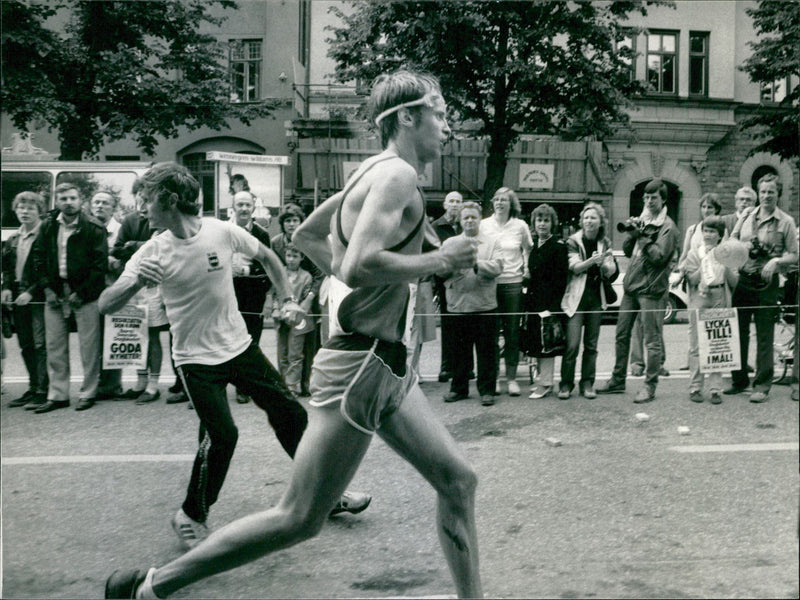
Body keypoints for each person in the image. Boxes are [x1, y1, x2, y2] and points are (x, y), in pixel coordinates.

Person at [104, 70, 482, 600]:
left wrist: (364, 296)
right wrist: (438, 258)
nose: (448, 126)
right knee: (300, 517)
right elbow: (357, 264)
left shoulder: (367, 171)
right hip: (361, 368)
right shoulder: (395, 175)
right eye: (440, 114)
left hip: (387, 364)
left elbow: (306, 236)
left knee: (458, 481)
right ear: (408, 118)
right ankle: (149, 586)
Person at [99, 162, 370, 557]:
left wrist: (289, 299)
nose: (140, 207)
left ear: (169, 200)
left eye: (146, 198)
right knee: (222, 435)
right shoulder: (151, 251)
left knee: (291, 414)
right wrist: (137, 281)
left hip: (240, 347)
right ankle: (190, 516)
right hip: (194, 361)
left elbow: (269, 257)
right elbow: (106, 304)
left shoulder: (220, 231)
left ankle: (327, 494)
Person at [597, 178, 680, 403]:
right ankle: (617, 379)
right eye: (646, 197)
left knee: (651, 341)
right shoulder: (644, 219)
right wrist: (633, 234)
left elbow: (659, 258)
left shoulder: (668, 227)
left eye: (654, 197)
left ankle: (649, 386)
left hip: (651, 290)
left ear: (663, 199)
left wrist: (643, 236)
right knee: (621, 334)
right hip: (632, 287)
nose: (649, 201)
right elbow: (626, 250)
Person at [31, 182, 108, 413]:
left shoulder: (94, 227)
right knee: (55, 346)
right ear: (57, 202)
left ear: (80, 200)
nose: (68, 202)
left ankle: (88, 392)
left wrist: (81, 293)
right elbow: (38, 259)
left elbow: (99, 266)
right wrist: (47, 289)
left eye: (72, 198)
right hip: (55, 294)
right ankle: (58, 395)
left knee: (89, 347)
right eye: (63, 198)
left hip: (85, 295)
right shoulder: (47, 227)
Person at [727, 173, 798, 403]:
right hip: (745, 279)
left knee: (765, 335)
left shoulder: (786, 221)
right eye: (764, 191)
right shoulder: (748, 215)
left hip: (768, 284)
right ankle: (739, 381)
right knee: (738, 332)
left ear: (778, 193)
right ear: (759, 193)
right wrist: (741, 247)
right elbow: (733, 239)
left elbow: (795, 255)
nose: (767, 196)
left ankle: (762, 385)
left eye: (772, 192)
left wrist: (776, 261)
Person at [113, 180, 176, 405]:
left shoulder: (160, 219)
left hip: (156, 287)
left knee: (155, 335)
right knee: (138, 335)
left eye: (146, 195)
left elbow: (164, 248)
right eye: (138, 195)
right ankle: (140, 382)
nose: (142, 199)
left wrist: (134, 245)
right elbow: (117, 249)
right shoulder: (130, 220)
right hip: (135, 287)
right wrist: (133, 246)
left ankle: (153, 385)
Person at [442, 201, 502, 406]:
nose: (469, 220)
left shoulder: (492, 242)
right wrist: (453, 265)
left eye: (473, 217)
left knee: (486, 351)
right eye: (465, 217)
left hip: (485, 305)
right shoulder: (449, 243)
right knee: (459, 352)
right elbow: (439, 271)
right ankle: (458, 388)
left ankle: (487, 391)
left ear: (479, 219)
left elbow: (497, 268)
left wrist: (476, 264)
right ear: (460, 220)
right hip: (458, 306)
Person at [559, 202, 617, 400]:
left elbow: (611, 271)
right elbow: (574, 267)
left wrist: (606, 265)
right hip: (577, 298)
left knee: (591, 345)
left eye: (593, 218)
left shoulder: (605, 242)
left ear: (600, 222)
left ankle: (587, 384)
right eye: (586, 218)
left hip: (595, 299)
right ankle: (566, 384)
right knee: (572, 345)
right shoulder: (573, 241)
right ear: (582, 221)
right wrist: (593, 261)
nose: (589, 221)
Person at [482, 186, 532, 397]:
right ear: (493, 203)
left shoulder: (520, 225)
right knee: (491, 335)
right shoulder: (484, 225)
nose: (500, 203)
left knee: (512, 332)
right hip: (490, 284)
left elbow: (528, 249)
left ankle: (511, 379)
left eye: (505, 200)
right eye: (497, 199)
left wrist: (527, 269)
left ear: (512, 204)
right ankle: (492, 379)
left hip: (513, 283)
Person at [683, 216, 739, 404]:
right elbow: (691, 279)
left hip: (719, 295)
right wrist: (705, 260)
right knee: (696, 344)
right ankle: (695, 387)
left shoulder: (726, 253)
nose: (708, 235)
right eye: (705, 230)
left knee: (717, 343)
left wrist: (724, 263)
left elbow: (734, 282)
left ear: (720, 235)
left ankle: (715, 389)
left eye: (712, 231)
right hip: (699, 296)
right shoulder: (693, 253)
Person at [1, 191, 49, 409]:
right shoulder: (13, 239)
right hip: (18, 297)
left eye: (30, 208)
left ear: (40, 211)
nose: (25, 212)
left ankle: (43, 390)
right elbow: (8, 270)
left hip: (37, 297)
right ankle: (32, 387)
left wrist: (31, 291)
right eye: (21, 207)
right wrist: (6, 288)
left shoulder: (45, 236)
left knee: (40, 344)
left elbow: (45, 269)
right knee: (26, 344)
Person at [271, 204, 325, 396]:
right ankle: (285, 383)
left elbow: (319, 273)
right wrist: (279, 303)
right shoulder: (276, 243)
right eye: (287, 220)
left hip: (306, 295)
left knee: (304, 346)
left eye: (295, 220)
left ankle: (303, 384)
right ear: (282, 224)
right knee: (284, 348)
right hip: (284, 297)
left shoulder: (307, 241)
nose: (292, 224)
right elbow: (275, 272)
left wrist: (308, 299)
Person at [231, 190, 274, 403]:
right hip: (228, 293)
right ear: (233, 208)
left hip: (253, 295)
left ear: (253, 208)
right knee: (228, 338)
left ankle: (244, 386)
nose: (244, 209)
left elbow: (269, 265)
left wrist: (248, 271)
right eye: (240, 205)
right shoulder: (225, 230)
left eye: (248, 205)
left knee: (250, 341)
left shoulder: (261, 234)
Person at [523, 204, 569, 399]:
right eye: (539, 220)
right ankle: (543, 379)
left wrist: (550, 308)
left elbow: (560, 281)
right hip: (534, 302)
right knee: (537, 343)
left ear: (552, 223)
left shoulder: (558, 247)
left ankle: (547, 383)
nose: (542, 224)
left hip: (548, 304)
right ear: (534, 223)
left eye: (546, 220)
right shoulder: (534, 246)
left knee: (547, 345)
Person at [91, 189, 125, 401]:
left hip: (113, 290)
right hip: (90, 292)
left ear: (113, 208)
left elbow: (125, 260)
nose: (100, 206)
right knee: (94, 340)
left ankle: (112, 385)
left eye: (105, 203)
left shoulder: (119, 231)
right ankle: (96, 383)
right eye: (96, 203)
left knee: (114, 338)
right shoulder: (86, 228)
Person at [272, 243, 314, 395]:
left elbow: (306, 301)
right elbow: (275, 294)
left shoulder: (306, 277)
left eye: (295, 256)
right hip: (281, 319)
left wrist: (297, 312)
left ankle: (292, 386)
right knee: (282, 352)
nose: (291, 259)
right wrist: (276, 309)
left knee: (295, 354)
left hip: (299, 320)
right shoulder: (280, 273)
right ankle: (283, 383)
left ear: (302, 258)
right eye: (288, 256)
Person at [432, 190, 464, 382]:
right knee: (448, 326)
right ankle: (447, 367)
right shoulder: (436, 226)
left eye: (458, 201)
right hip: (445, 282)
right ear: (445, 205)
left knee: (465, 326)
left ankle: (466, 368)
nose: (454, 204)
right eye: (451, 201)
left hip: (465, 283)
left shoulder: (465, 225)